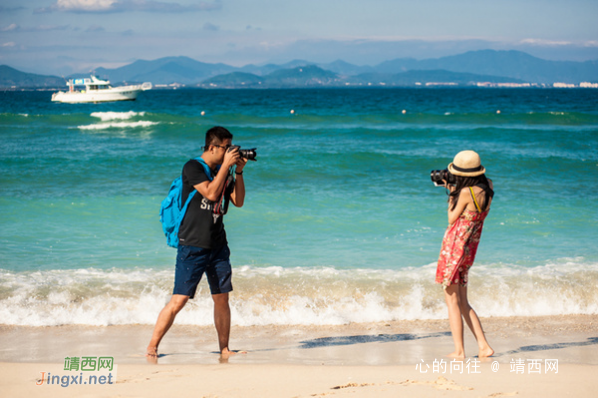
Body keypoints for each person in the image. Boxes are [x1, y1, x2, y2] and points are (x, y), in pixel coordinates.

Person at [147, 126, 248, 360]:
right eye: (226, 148)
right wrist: (225, 167)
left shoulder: (224, 172)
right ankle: (152, 346)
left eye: (231, 147)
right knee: (179, 299)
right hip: (192, 244)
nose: (229, 152)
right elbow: (211, 194)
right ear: (212, 147)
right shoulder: (193, 167)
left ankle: (224, 348)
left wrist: (239, 172)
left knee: (222, 297)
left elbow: (238, 201)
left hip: (218, 245)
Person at [436, 150, 494, 359]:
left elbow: (452, 218)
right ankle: (483, 346)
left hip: (455, 247)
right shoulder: (488, 187)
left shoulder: (464, 193)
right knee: (462, 301)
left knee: (451, 300)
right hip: (469, 248)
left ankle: (459, 351)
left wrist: (451, 192)